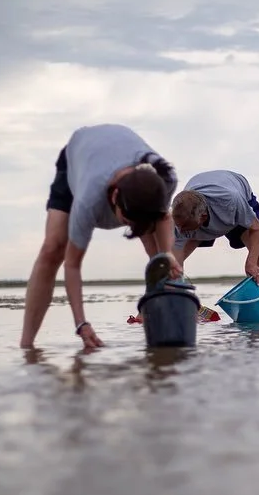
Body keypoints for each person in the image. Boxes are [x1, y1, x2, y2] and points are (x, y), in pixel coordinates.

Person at [19, 123, 182, 350]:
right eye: (126, 222)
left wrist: (167, 256)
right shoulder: (88, 200)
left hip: (120, 154)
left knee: (160, 258)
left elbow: (163, 217)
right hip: (76, 158)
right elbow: (72, 265)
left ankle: (166, 312)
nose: (128, 227)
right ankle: (27, 347)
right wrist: (81, 324)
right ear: (114, 197)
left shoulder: (165, 178)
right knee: (52, 248)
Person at [170, 170, 259, 308]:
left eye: (184, 227)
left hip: (233, 202)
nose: (181, 231)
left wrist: (251, 261)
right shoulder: (178, 222)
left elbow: (257, 230)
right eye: (179, 226)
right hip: (200, 210)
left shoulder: (231, 200)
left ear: (202, 217)